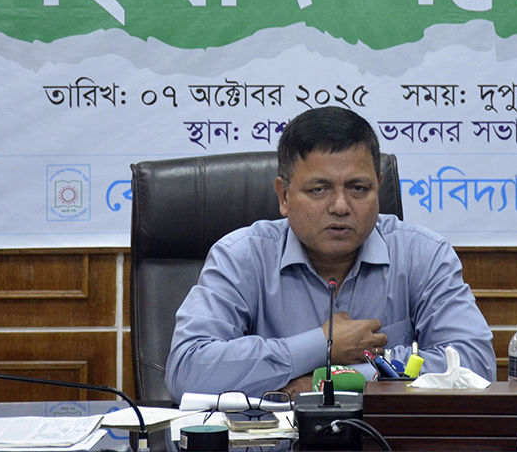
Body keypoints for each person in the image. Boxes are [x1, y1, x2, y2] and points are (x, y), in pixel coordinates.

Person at [166, 106, 496, 399]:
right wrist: (321, 345)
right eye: (319, 189)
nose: (340, 206)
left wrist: (332, 380)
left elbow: (475, 366)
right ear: (284, 196)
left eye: (358, 188)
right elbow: (187, 369)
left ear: (378, 189)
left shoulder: (422, 255)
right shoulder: (241, 257)